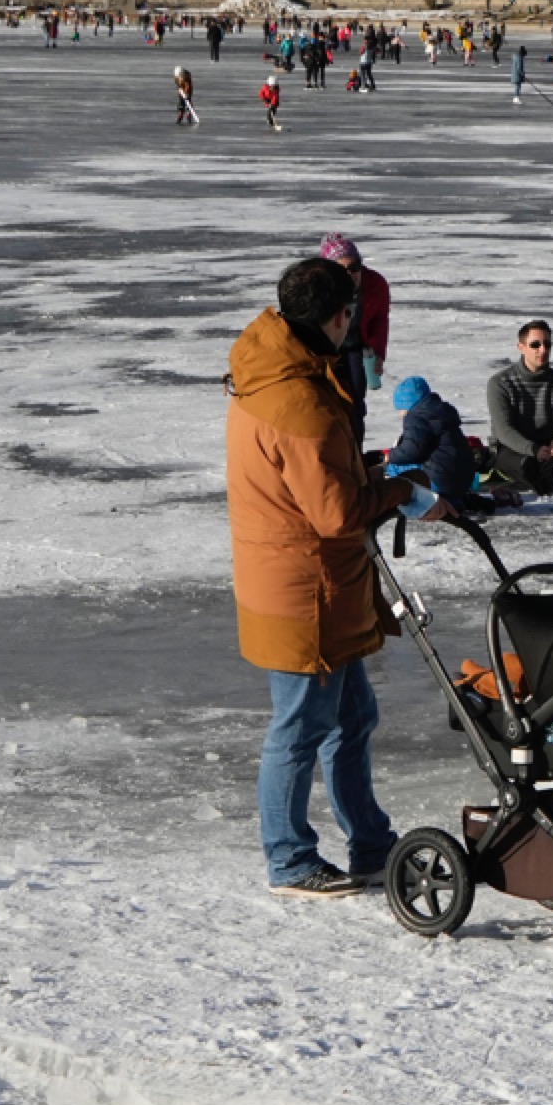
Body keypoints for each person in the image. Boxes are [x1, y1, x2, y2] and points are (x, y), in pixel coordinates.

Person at [226, 256, 451, 899]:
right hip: (303, 589)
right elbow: (334, 512)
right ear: (337, 317)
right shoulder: (301, 403)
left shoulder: (273, 368)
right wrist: (402, 489)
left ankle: (372, 846)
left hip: (311, 579)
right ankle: (289, 858)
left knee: (352, 717)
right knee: (298, 728)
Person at [483, 319, 553, 496]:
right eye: (535, 345)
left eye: (547, 344)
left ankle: (552, 478)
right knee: (527, 465)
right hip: (511, 449)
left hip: (546, 447)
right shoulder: (500, 383)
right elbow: (503, 430)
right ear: (521, 347)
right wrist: (533, 450)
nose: (543, 350)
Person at [318, 235, 389, 446]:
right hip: (327, 349)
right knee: (328, 402)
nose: (350, 274)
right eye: (343, 269)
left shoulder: (375, 284)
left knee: (356, 402)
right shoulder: (320, 288)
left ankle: (355, 453)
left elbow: (380, 320)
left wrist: (378, 354)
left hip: (358, 347)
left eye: (355, 267)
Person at [384, 375, 477, 505]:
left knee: (394, 468)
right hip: (462, 481)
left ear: (407, 404)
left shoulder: (416, 417)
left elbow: (411, 451)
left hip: (439, 481)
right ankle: (451, 499)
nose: (400, 414)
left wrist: (391, 456)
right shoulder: (441, 413)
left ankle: (399, 498)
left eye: (400, 408)